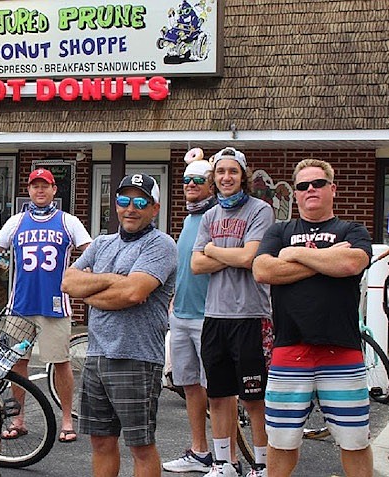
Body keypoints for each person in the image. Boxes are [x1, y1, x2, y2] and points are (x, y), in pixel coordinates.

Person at [252, 159, 373, 477]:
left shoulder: (351, 230)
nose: (310, 190)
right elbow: (263, 270)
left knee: (355, 440)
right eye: (302, 186)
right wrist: (328, 258)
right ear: (296, 193)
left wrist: (293, 255)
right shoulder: (279, 231)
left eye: (317, 183)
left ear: (332, 188)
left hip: (343, 350)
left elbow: (351, 264)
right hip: (290, 350)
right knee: (281, 441)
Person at [61, 173, 177, 477]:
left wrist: (91, 292)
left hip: (137, 358)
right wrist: (114, 281)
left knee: (140, 445)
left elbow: (133, 292)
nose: (131, 208)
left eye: (141, 201)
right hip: (97, 355)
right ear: (116, 204)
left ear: (155, 208)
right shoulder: (102, 243)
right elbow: (68, 281)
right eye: (124, 200)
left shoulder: (161, 245)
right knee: (100, 440)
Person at [0, 168, 91, 442]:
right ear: (29, 190)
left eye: (44, 186)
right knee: (17, 364)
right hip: (20, 305)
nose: (40, 191)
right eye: (35, 186)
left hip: (55, 306)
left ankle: (67, 420)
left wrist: (81, 277)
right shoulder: (16, 221)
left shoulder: (68, 221)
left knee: (60, 362)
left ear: (54, 189)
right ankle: (18, 418)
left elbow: (91, 252)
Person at [191, 147, 274, 477]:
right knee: (219, 395)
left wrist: (213, 249)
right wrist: (229, 253)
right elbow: (196, 264)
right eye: (221, 172)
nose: (226, 177)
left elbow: (249, 258)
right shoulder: (210, 216)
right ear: (214, 178)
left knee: (254, 398)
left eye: (233, 171)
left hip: (251, 316)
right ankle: (226, 462)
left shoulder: (260, 210)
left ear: (243, 177)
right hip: (215, 316)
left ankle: (264, 464)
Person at [163, 149, 218, 474]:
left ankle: (228, 455)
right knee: (190, 386)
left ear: (212, 185)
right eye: (187, 180)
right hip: (181, 315)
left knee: (219, 390)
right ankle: (200, 451)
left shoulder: (218, 217)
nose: (191, 185)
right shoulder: (188, 218)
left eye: (199, 180)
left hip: (209, 315)